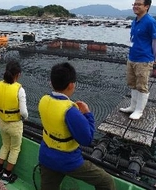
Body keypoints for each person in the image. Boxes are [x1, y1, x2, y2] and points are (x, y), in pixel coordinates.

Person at [38, 62, 116, 190]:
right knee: (106, 181)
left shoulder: (43, 100)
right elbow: (86, 139)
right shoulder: (70, 111)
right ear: (71, 85)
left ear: (51, 83)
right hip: (68, 160)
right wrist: (87, 114)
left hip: (46, 155)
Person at [120, 0, 156, 119]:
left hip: (144, 59)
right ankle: (133, 107)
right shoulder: (135, 21)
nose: (135, 6)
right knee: (132, 83)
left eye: (139, 4)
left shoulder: (150, 22)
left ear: (146, 6)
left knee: (142, 85)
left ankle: (139, 110)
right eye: (134, 4)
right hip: (132, 57)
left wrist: (154, 58)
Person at [0, 61, 28, 183]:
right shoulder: (19, 89)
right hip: (15, 125)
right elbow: (23, 112)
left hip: (2, 122)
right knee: (15, 148)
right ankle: (7, 175)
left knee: (5, 145)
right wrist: (25, 118)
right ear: (18, 75)